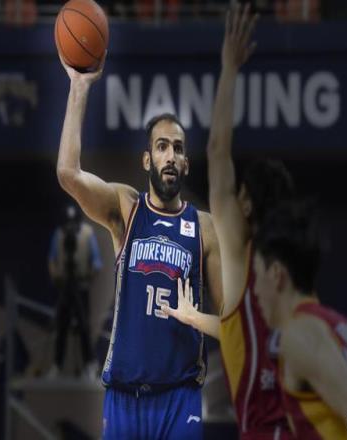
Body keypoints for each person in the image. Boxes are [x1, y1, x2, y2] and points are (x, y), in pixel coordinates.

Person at [56, 35, 223, 440]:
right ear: (147, 159)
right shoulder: (126, 209)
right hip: (124, 397)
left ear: (186, 163)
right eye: (162, 147)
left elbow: (234, 326)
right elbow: (68, 174)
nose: (171, 155)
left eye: (178, 148)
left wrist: (195, 318)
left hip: (180, 396)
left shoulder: (204, 227)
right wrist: (79, 87)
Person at [163, 5, 293, 438]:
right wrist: (194, 317)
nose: (231, 202)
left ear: (248, 206)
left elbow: (218, 151)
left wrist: (229, 69)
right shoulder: (294, 269)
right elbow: (240, 332)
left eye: (239, 197)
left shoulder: (240, 252)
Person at [252, 202, 347, 439]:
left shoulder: (299, 333)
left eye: (256, 276)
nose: (255, 290)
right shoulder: (338, 325)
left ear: (276, 274)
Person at [48, 205, 103, 379]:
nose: (70, 227)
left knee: (84, 326)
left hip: (81, 286)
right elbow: (52, 258)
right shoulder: (59, 234)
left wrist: (89, 275)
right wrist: (56, 276)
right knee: (62, 326)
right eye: (67, 224)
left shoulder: (87, 233)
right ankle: (57, 365)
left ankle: (89, 364)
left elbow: (97, 262)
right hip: (65, 285)